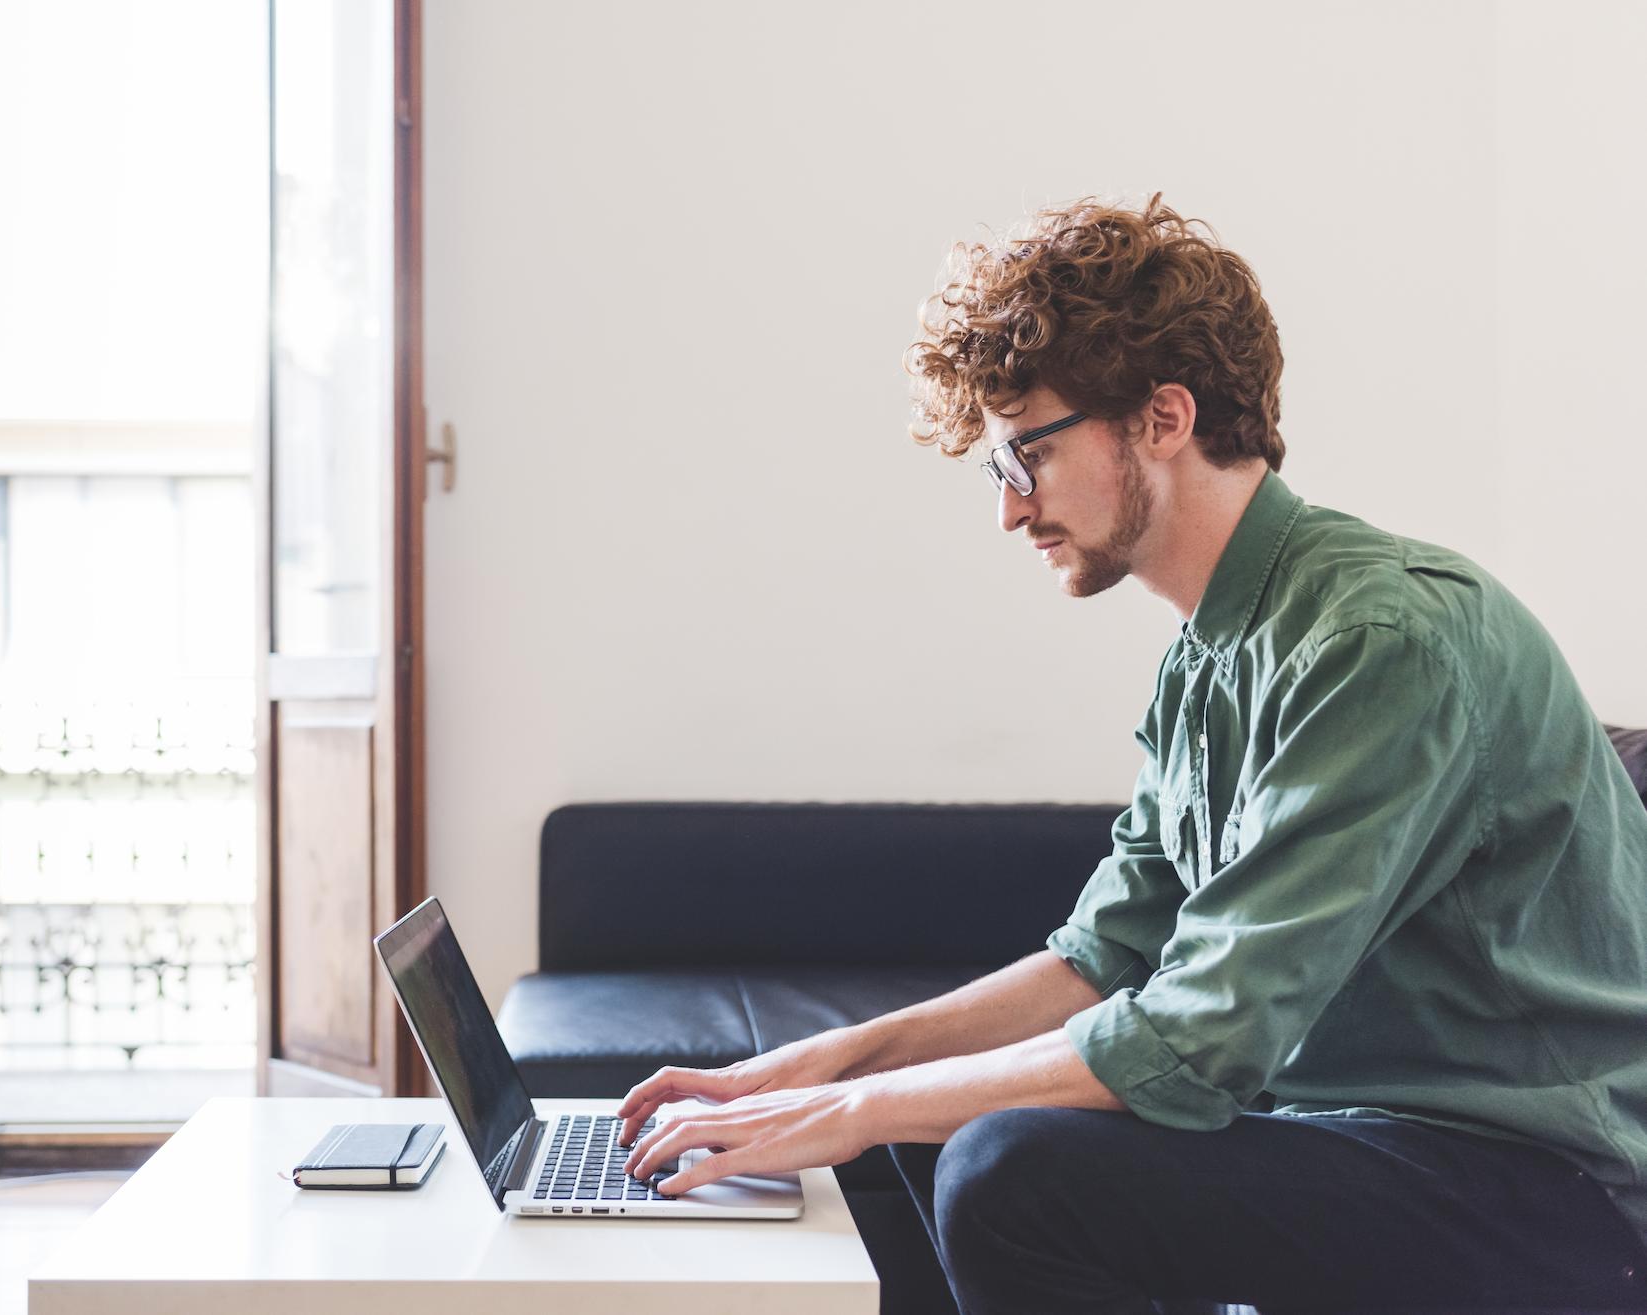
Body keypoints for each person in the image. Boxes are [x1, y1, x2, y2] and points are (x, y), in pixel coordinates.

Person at [614, 195, 1647, 1313]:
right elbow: (1100, 957)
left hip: (1550, 1192)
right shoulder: (1205, 656)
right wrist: (833, 1066)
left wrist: (858, 1108)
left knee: (1001, 1166)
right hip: (1363, 1143)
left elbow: (1199, 1037)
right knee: (928, 1125)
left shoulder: (1375, 640)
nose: (1009, 513)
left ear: (1160, 417)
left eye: (1024, 459)